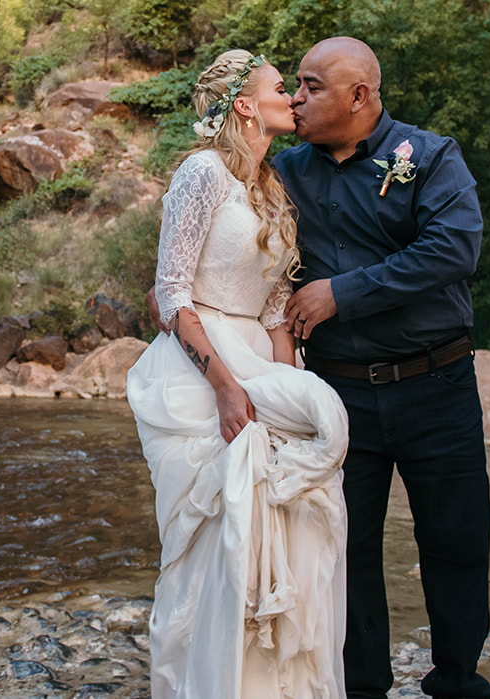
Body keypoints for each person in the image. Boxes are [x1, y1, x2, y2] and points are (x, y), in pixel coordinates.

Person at [127, 48, 350, 699]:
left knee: (296, 516)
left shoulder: (273, 186)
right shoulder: (202, 174)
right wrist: (227, 386)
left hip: (260, 356)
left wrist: (291, 398)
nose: (295, 96)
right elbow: (171, 293)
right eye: (282, 87)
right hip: (203, 370)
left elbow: (279, 311)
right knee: (215, 547)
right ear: (245, 104)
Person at [279, 36, 490, 699]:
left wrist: (343, 292)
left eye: (311, 86)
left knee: (456, 541)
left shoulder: (430, 157)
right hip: (339, 393)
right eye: (294, 84)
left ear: (359, 95)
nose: (297, 97)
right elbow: (224, 220)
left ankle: (457, 684)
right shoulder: (284, 170)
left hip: (439, 384)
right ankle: (361, 689)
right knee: (346, 553)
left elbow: (452, 249)